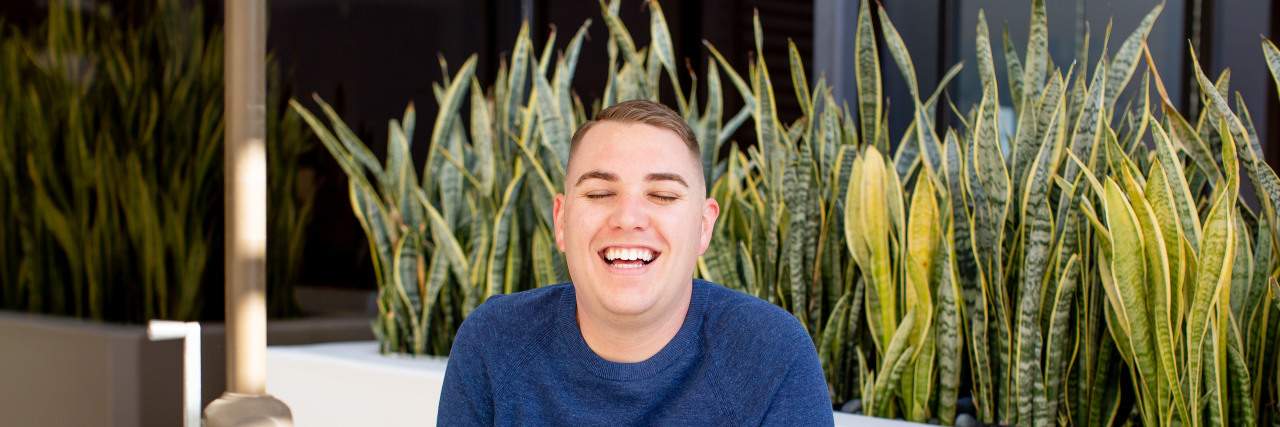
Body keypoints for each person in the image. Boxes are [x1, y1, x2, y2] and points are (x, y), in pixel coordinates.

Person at [438, 99, 833, 425]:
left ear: (703, 227)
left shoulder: (770, 356)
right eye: (598, 193)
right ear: (561, 221)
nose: (628, 217)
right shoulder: (494, 343)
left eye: (662, 195)